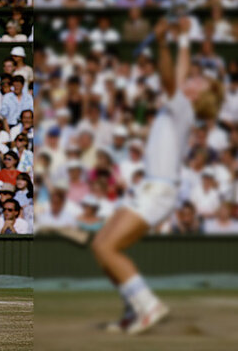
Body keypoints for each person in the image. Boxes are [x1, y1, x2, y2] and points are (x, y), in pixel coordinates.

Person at [91, 18, 224, 335]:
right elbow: (179, 73)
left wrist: (163, 43)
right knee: (100, 245)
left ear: (199, 95)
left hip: (159, 191)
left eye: (200, 81)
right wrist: (182, 39)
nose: (193, 78)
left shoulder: (184, 106)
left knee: (108, 249)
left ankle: (149, 306)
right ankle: (133, 310)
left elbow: (169, 78)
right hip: (149, 188)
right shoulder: (182, 104)